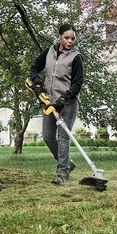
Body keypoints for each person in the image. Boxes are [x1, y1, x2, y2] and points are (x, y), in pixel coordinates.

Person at [29, 23, 84, 185]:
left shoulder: (76, 57)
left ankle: (62, 172)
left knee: (63, 137)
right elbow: (34, 68)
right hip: (50, 102)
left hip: (68, 103)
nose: (70, 41)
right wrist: (37, 83)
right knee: (47, 137)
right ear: (60, 37)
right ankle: (67, 163)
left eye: (72, 38)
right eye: (66, 38)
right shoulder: (49, 52)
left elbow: (77, 83)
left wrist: (64, 99)